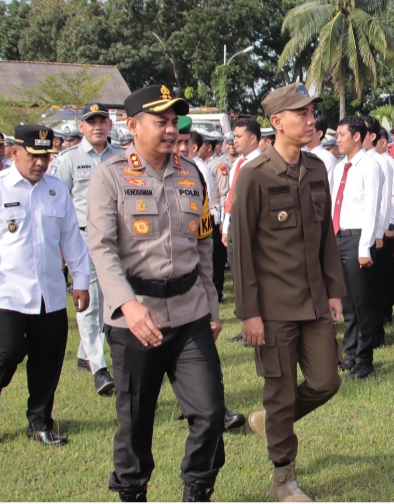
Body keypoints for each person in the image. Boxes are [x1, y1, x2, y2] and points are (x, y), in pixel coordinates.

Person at [87, 85, 227, 503]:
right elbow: (102, 247)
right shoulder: (109, 175)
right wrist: (127, 305)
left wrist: (212, 306)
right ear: (132, 126)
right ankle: (132, 493)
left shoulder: (191, 174)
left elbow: (205, 247)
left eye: (174, 122)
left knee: (210, 413)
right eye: (161, 121)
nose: (171, 130)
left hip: (190, 316)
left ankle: (196, 493)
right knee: (135, 421)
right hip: (135, 320)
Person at [229, 82, 345, 503]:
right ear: (277, 122)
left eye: (313, 113)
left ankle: (272, 422)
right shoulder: (254, 175)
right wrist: (249, 313)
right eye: (302, 114)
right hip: (273, 308)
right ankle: (284, 480)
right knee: (280, 390)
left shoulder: (316, 169)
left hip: (314, 301)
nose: (311, 121)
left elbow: (326, 238)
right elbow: (241, 249)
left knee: (326, 381)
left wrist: (334, 290)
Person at [0, 124, 91, 445]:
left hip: (49, 293)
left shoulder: (56, 190)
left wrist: (81, 281)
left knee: (48, 358)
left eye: (46, 155)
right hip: (4, 293)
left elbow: (72, 240)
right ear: (13, 151)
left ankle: (40, 421)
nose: (41, 162)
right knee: (7, 351)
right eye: (34, 155)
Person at [51, 102, 120, 396]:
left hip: (118, 239)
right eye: (91, 122)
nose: (98, 126)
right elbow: (57, 203)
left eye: (102, 121)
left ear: (110, 125)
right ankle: (100, 368)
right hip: (83, 239)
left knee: (113, 299)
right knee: (89, 303)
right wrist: (61, 247)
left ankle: (86, 352)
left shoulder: (123, 156)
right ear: (81, 127)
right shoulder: (69, 160)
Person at [331, 116, 384, 378]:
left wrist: (365, 247)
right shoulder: (340, 167)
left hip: (357, 239)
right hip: (339, 236)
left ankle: (365, 360)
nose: (337, 139)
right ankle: (350, 353)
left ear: (356, 136)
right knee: (348, 301)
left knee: (362, 302)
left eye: (342, 134)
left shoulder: (370, 166)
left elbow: (373, 208)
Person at [364, 117, 394, 332]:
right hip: (373, 228)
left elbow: (392, 197)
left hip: (384, 227)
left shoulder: (386, 164)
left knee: (384, 274)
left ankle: (384, 311)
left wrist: (390, 224)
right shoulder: (371, 162)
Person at [201, 131, 232, 306]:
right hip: (206, 215)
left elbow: (224, 193)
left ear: (209, 147)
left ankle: (217, 291)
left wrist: (222, 221)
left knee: (217, 257)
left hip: (215, 216)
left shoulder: (219, 165)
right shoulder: (204, 164)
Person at [221, 118, 261, 247]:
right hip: (234, 225)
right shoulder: (238, 163)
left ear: (252, 139)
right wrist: (227, 226)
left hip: (252, 227)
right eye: (234, 137)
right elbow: (231, 196)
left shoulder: (263, 165)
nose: (235, 141)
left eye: (239, 136)